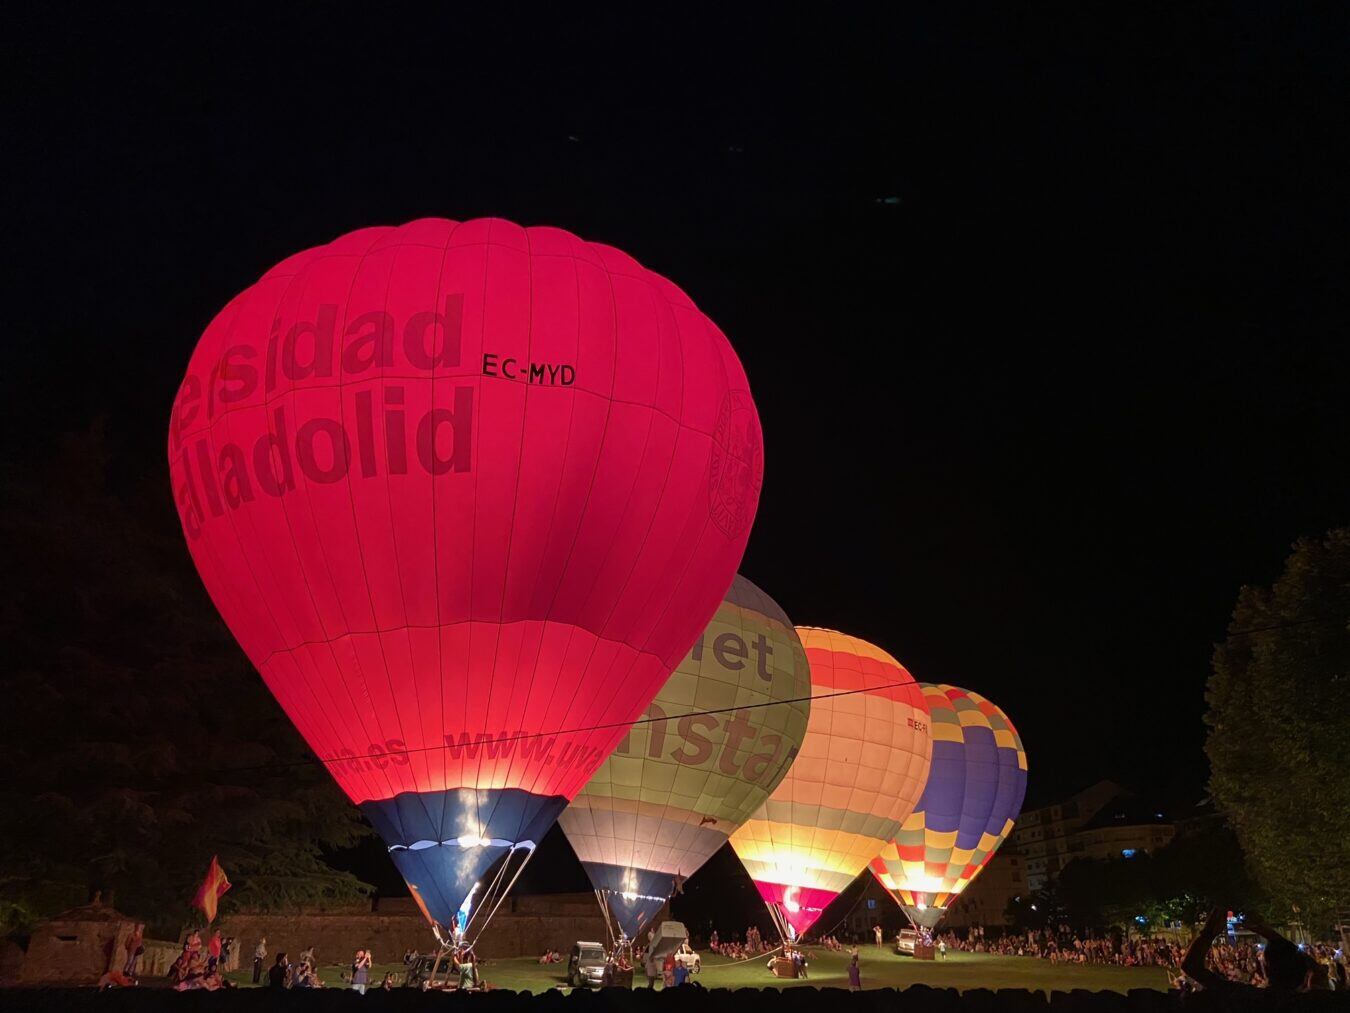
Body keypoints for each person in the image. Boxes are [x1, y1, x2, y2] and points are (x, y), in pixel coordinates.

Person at [1183, 908, 1311, 995]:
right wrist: (1271, 935)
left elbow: (1190, 966)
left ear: (1265, 967)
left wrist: (1209, 932)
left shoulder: (1251, 999)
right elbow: (1314, 966)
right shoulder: (1316, 1004)